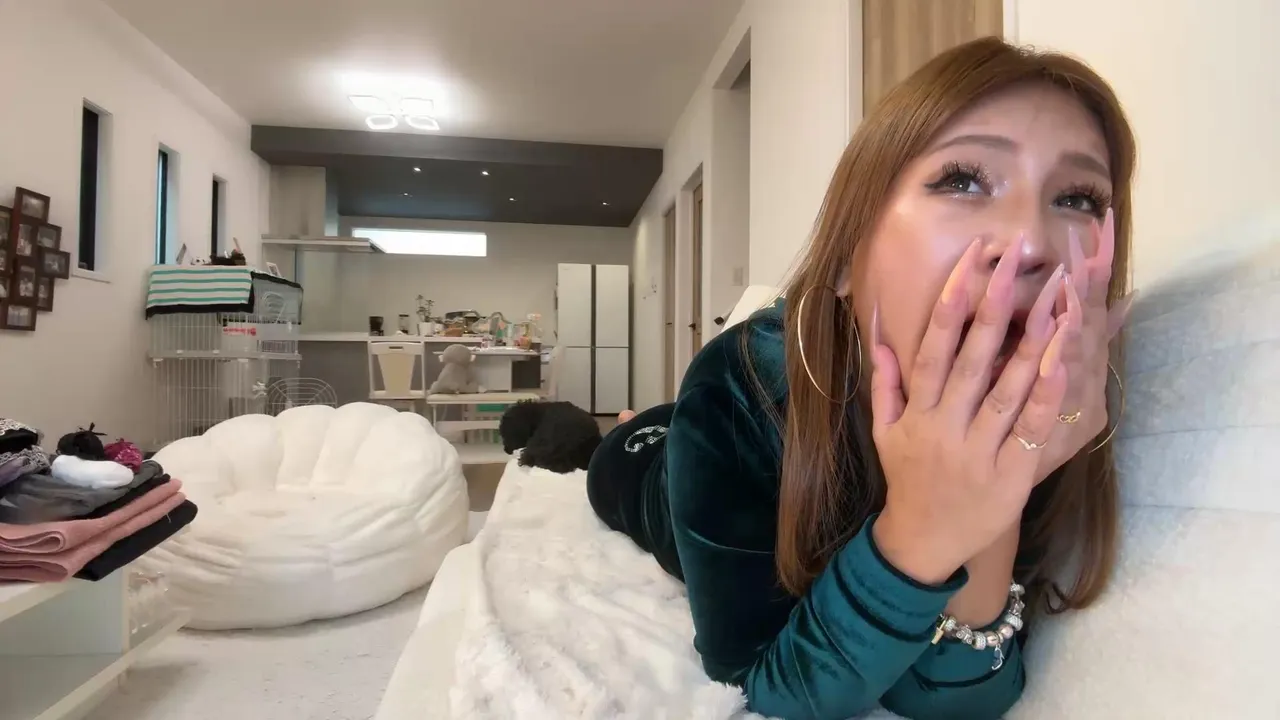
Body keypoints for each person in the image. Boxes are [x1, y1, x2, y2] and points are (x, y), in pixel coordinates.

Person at [586, 36, 1136, 720]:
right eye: (963, 179)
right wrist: (920, 532)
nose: (1029, 244)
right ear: (849, 257)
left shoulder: (1071, 409)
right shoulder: (737, 387)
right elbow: (763, 684)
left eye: (1078, 197)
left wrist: (994, 499)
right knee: (616, 448)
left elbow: (950, 700)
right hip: (645, 468)